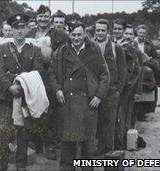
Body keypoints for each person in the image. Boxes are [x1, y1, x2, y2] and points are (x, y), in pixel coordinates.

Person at [48, 21, 110, 171]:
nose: (76, 38)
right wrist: (57, 90)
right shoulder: (62, 51)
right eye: (73, 34)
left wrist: (99, 96)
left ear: (85, 34)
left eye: (79, 35)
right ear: (69, 34)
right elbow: (51, 73)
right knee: (67, 144)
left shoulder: (94, 49)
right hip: (67, 103)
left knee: (87, 145)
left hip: (88, 103)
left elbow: (105, 75)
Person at [0, 13, 43, 171]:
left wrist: (20, 86)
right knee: (2, 131)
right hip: (5, 96)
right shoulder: (3, 48)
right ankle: (1, 165)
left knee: (23, 132)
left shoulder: (34, 50)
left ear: (28, 29)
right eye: (16, 28)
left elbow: (37, 72)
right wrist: (9, 86)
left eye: (23, 27)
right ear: (11, 29)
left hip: (25, 96)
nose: (20, 31)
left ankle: (20, 165)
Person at [25, 5, 68, 160]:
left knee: (49, 112)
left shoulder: (60, 34)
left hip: (50, 78)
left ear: (50, 18)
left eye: (46, 16)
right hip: (33, 77)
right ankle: (36, 143)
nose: (43, 19)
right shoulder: (29, 33)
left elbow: (64, 56)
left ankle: (49, 145)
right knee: (32, 109)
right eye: (40, 16)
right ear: (36, 18)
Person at [94, 19, 127, 154]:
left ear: (108, 32)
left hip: (111, 91)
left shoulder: (115, 48)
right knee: (96, 119)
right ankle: (96, 146)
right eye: (98, 30)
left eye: (103, 30)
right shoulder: (90, 46)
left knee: (109, 121)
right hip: (94, 90)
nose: (100, 33)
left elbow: (123, 71)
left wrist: (118, 90)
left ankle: (107, 148)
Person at [113, 21, 142, 149]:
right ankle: (111, 142)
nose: (117, 31)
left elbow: (136, 69)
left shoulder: (130, 47)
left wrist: (129, 85)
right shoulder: (110, 44)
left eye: (120, 29)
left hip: (125, 88)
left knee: (123, 115)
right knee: (112, 115)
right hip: (112, 86)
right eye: (115, 29)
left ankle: (121, 143)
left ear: (124, 31)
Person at [133, 24, 158, 121]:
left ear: (146, 34)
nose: (141, 35)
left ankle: (142, 113)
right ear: (137, 32)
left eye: (143, 33)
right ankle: (134, 113)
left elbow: (155, 57)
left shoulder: (149, 44)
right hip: (135, 69)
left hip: (146, 70)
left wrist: (150, 60)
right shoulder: (132, 42)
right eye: (140, 32)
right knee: (135, 90)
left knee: (145, 91)